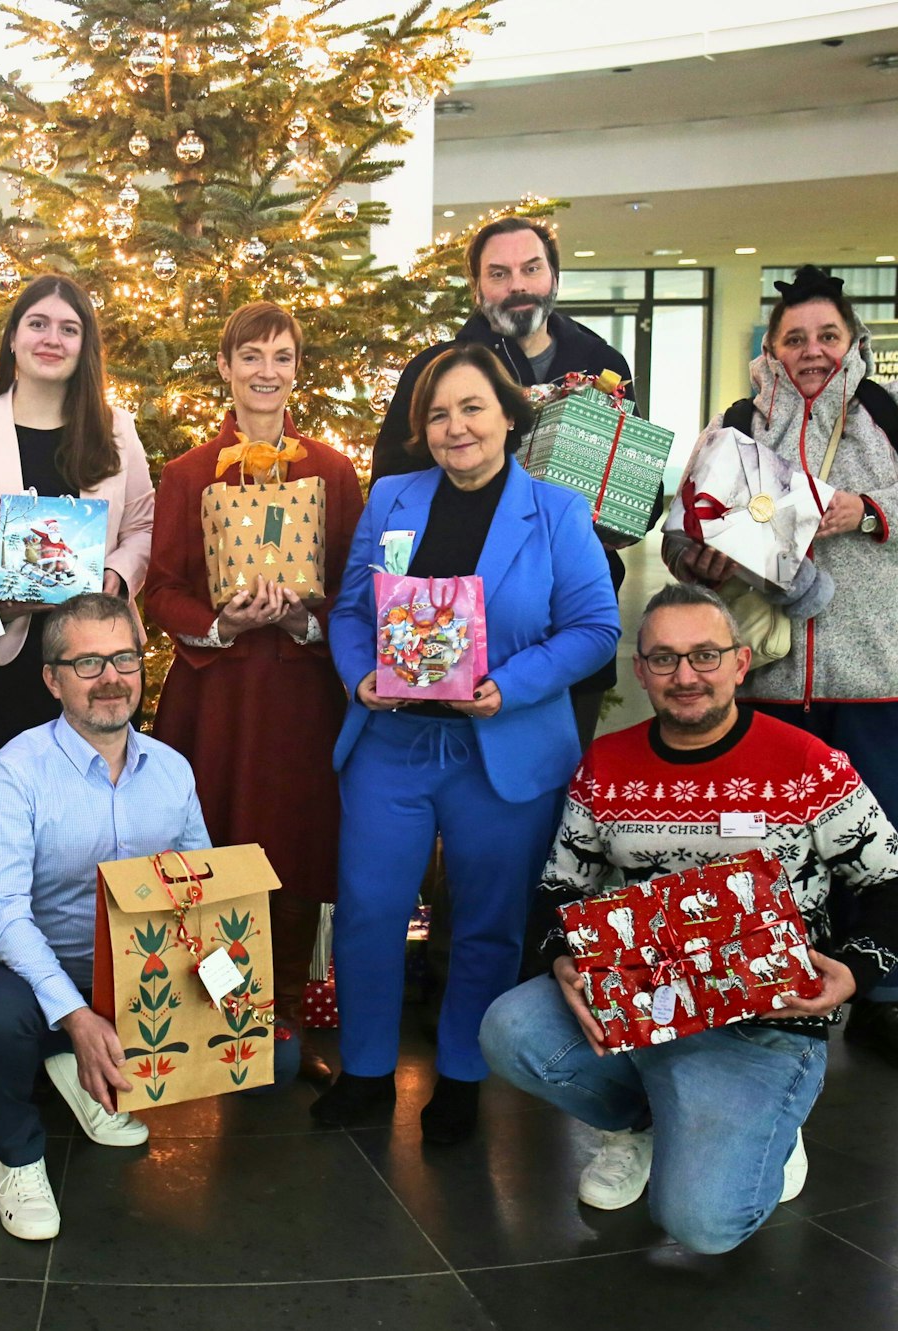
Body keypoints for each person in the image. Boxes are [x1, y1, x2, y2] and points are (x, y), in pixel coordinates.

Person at [480, 582, 898, 1253]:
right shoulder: (607, 764)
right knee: (510, 1026)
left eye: (705, 655)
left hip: (767, 1024)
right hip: (639, 1010)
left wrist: (855, 972)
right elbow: (557, 885)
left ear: (741, 663)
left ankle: (771, 1128)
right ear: (641, 671)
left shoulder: (805, 764)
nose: (685, 676)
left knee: (701, 1224)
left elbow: (897, 880)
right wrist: (560, 956)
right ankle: (643, 1123)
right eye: (663, 658)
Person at [663, 265, 898, 1079]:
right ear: (771, 348)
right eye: (795, 338)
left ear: (851, 342)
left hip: (878, 673)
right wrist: (694, 553)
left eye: (827, 336)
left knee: (886, 844)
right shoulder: (737, 424)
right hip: (767, 679)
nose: (812, 351)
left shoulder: (896, 410)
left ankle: (882, 998)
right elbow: (680, 526)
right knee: (768, 848)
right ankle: (778, 987)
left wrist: (864, 512)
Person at [319, 344, 620, 1144]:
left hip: (503, 745)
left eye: (473, 407)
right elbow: (352, 611)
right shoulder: (391, 498)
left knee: (489, 920)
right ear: (423, 429)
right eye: (439, 413)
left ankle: (461, 1074)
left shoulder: (557, 512)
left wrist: (510, 685)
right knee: (368, 911)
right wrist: (360, 678)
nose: (457, 427)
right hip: (395, 740)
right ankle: (366, 1070)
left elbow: (597, 628)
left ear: (508, 414)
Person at [142, 301, 364, 1090]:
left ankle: (287, 1024)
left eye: (282, 356)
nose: (267, 371)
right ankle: (226, 1023)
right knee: (217, 864)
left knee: (298, 861)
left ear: (297, 368)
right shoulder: (188, 473)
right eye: (251, 356)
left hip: (303, 702)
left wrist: (309, 620)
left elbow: (357, 593)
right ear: (226, 367)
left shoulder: (334, 473)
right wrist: (217, 623)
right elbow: (160, 591)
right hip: (217, 703)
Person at [0, 594, 211, 1240]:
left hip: (136, 963)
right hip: (35, 964)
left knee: (274, 1060)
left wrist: (229, 990)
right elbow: (4, 914)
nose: (111, 678)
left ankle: (74, 1058)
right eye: (88, 662)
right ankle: (19, 1153)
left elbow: (201, 891)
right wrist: (76, 1012)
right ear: (51, 678)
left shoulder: (172, 770)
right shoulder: (13, 775)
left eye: (124, 657)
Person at [371, 216, 635, 749]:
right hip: (448, 620)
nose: (517, 285)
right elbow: (393, 484)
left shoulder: (604, 363)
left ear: (554, 277)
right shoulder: (436, 368)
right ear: (478, 287)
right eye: (499, 273)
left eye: (531, 269)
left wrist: (619, 516)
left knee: (548, 790)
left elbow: (633, 485)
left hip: (565, 616)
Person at [0, 273, 156, 757]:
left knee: (105, 801)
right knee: (21, 809)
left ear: (84, 345)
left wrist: (116, 574)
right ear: (13, 337)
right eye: (37, 324)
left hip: (100, 656)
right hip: (9, 657)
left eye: (68, 329)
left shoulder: (116, 429)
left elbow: (142, 526)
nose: (52, 339)